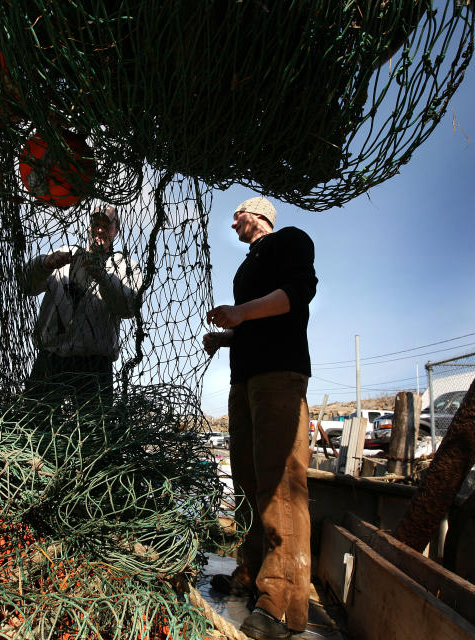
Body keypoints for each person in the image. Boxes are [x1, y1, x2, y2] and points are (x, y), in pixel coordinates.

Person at [203, 196, 317, 640]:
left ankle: (282, 606)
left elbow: (296, 295)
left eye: (238, 215)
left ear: (259, 216)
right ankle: (251, 574)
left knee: (280, 487)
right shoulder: (247, 266)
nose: (232, 223)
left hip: (279, 377)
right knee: (249, 482)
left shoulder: (290, 240)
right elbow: (254, 323)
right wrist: (227, 336)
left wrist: (241, 313)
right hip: (245, 381)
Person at [24, 205, 141, 402]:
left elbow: (129, 307)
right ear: (89, 227)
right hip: (51, 357)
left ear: (116, 231)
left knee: (93, 431)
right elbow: (26, 286)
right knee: (34, 424)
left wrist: (102, 276)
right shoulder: (65, 252)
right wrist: (45, 264)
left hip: (96, 366)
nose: (100, 230)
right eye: (96, 224)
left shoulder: (124, 265)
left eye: (107, 225)